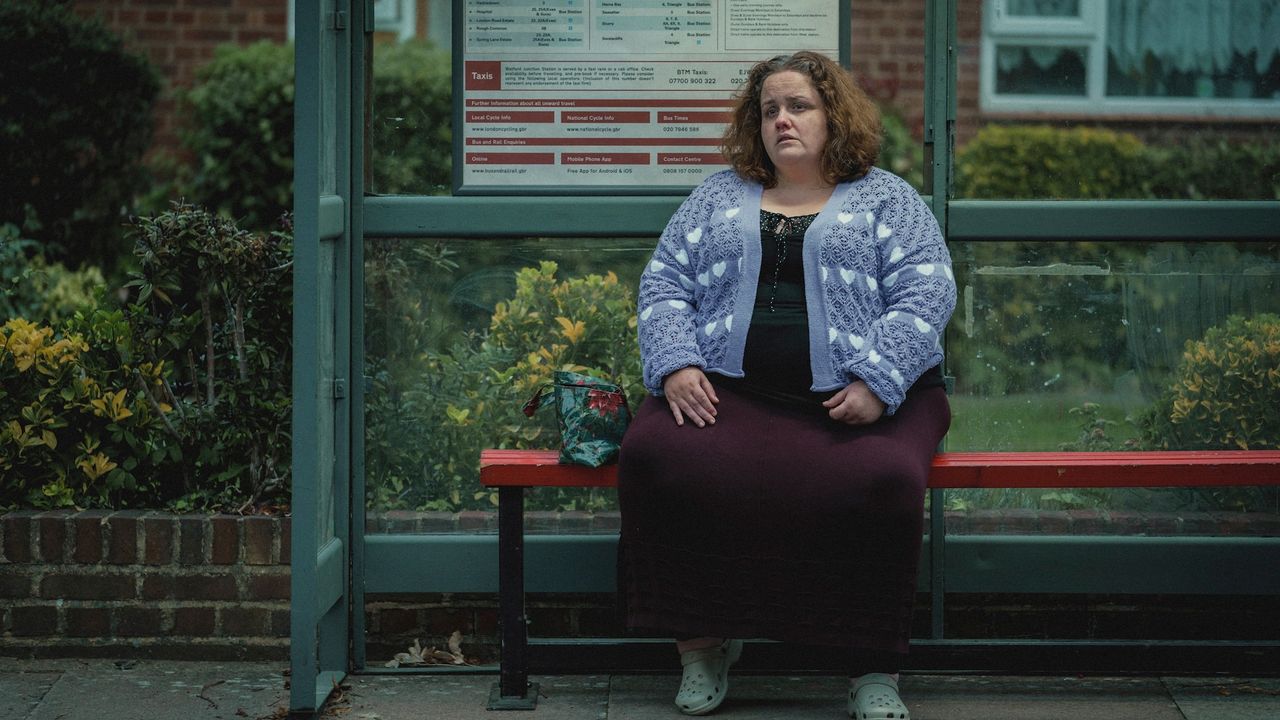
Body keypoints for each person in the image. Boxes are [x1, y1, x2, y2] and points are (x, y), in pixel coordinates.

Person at [617, 51, 955, 719]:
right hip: (732, 393)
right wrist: (679, 362)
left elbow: (928, 290)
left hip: (859, 398)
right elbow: (663, 284)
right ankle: (702, 645)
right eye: (769, 109)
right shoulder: (716, 195)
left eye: (798, 106)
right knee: (656, 456)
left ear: (834, 116)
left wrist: (878, 378)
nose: (782, 120)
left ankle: (871, 668)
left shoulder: (888, 197)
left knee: (883, 479)